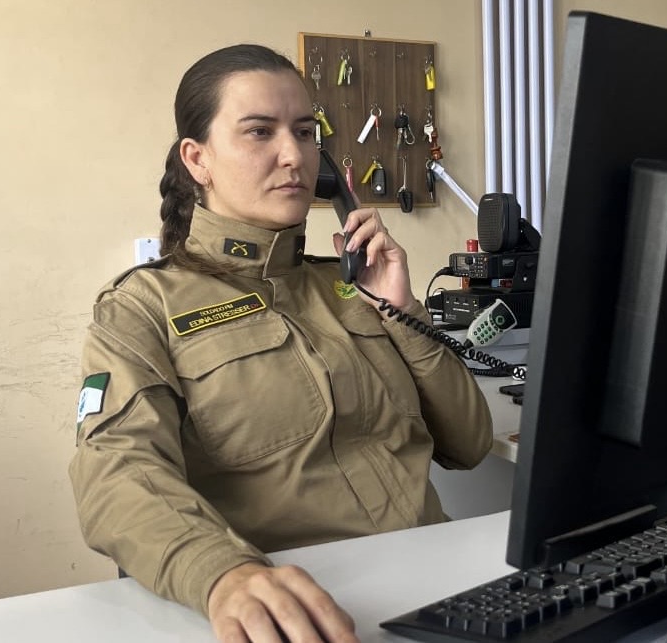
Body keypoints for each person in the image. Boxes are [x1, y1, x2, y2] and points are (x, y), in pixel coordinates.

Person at [69, 43, 493, 643]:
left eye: (305, 131)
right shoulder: (143, 306)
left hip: (437, 586)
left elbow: (471, 444)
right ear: (198, 158)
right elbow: (115, 471)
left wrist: (401, 311)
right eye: (259, 132)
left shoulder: (349, 285)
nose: (294, 155)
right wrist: (222, 574)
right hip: (295, 608)